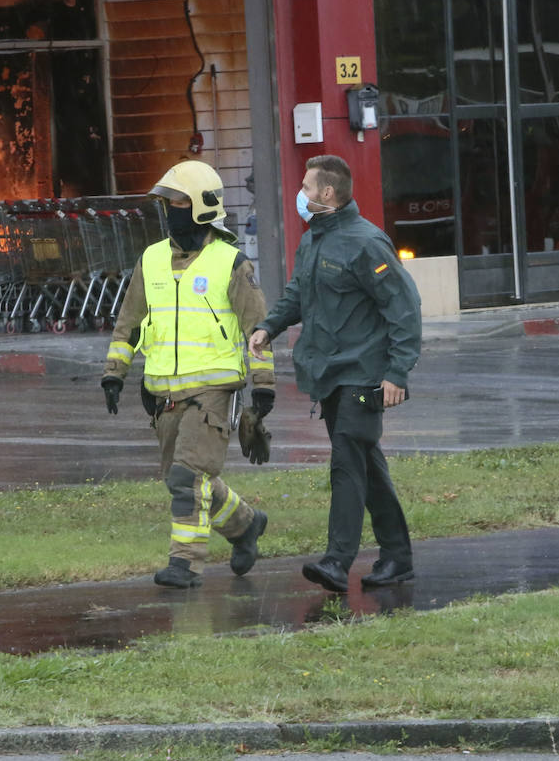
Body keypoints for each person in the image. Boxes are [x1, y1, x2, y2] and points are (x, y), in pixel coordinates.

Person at [248, 154, 422, 593]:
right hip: (327, 375)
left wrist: (397, 373)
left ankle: (337, 561)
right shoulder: (313, 241)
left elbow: (404, 309)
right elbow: (297, 294)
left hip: (364, 379)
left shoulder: (367, 243)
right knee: (366, 461)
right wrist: (269, 326)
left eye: (306, 189)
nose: (300, 197)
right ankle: (397, 556)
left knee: (347, 457)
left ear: (327, 193)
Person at [102, 160, 276, 588]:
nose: (170, 210)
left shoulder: (231, 262)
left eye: (178, 202)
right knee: (184, 481)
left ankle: (185, 564)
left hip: (213, 392)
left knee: (188, 477)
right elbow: (129, 322)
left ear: (202, 206)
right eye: (167, 202)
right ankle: (245, 525)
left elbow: (259, 328)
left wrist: (264, 385)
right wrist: (115, 373)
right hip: (162, 394)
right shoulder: (152, 260)